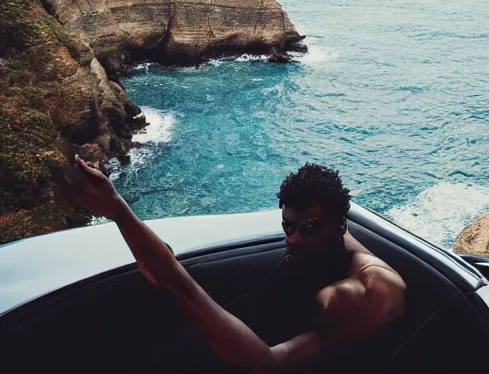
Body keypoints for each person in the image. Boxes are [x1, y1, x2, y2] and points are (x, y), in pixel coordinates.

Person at [55, 157, 406, 373]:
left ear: (340, 227)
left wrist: (118, 210)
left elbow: (269, 363)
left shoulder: (368, 292)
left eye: (310, 227)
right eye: (288, 226)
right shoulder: (322, 243)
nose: (294, 238)